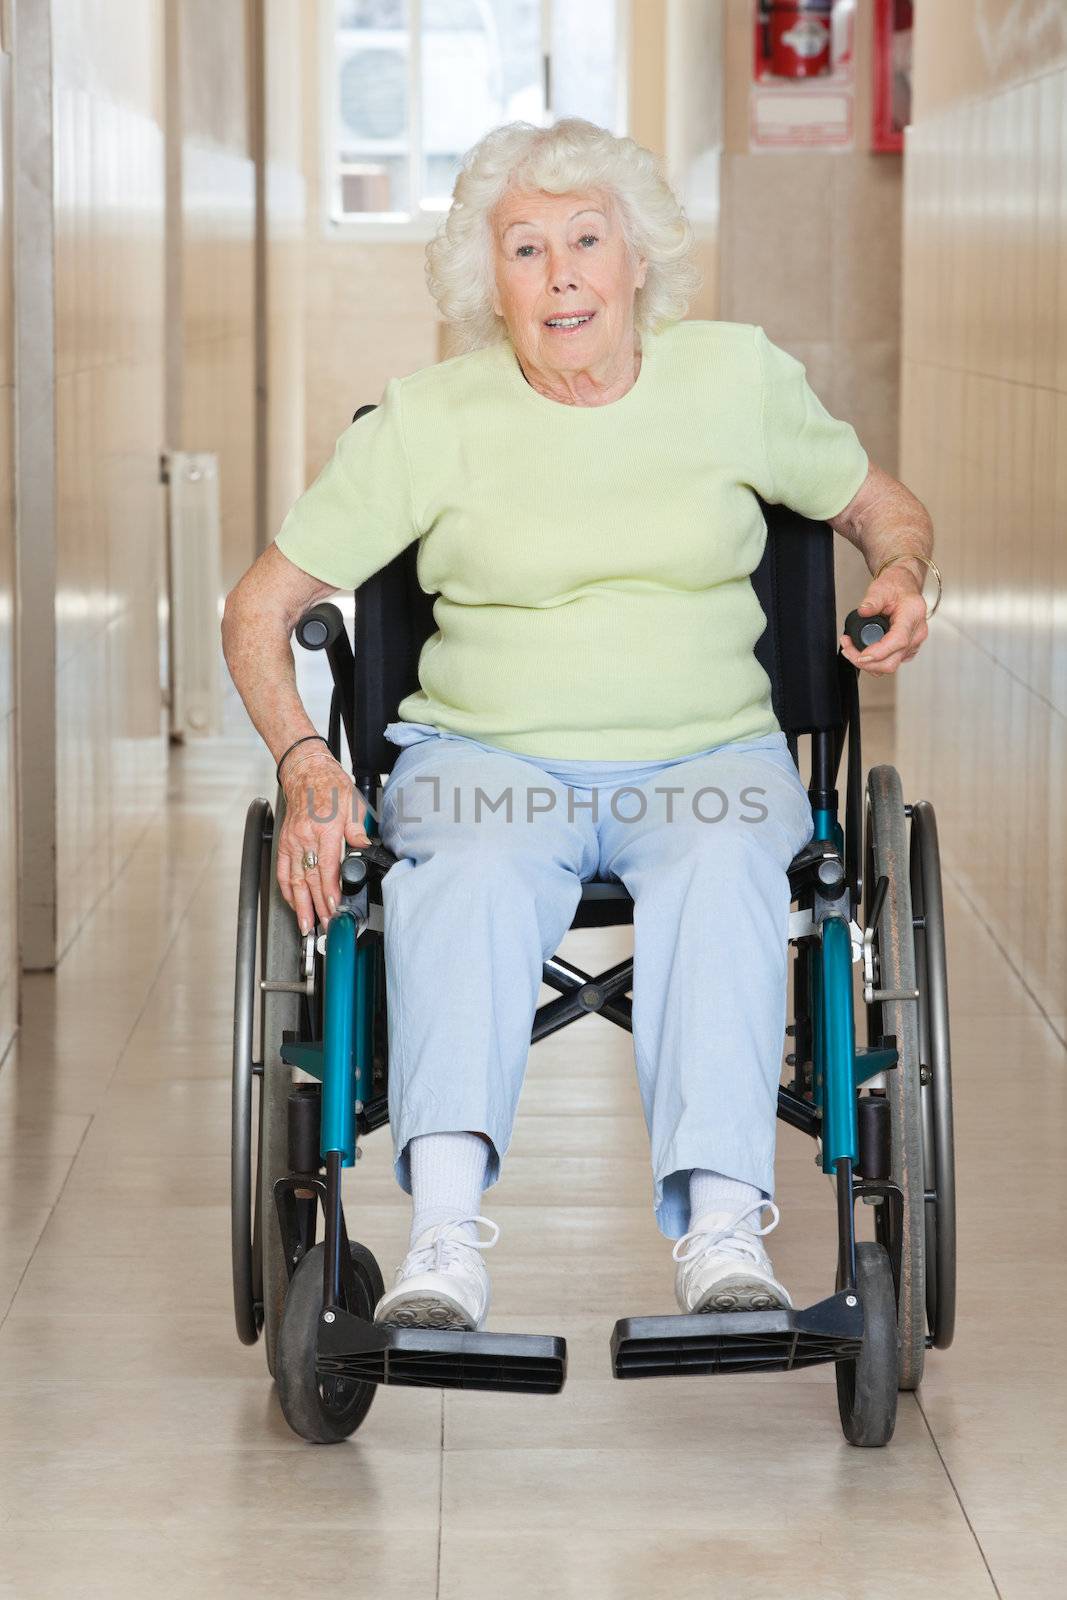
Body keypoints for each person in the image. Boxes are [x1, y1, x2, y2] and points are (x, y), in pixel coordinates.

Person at [221, 118, 934, 1333]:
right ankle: (443, 1240)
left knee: (722, 867)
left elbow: (885, 511)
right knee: (470, 868)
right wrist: (302, 758)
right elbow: (260, 605)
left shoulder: (737, 379)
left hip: (707, 753)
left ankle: (721, 1233)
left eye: (587, 240)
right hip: (485, 759)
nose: (561, 275)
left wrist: (903, 572)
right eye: (524, 246)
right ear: (482, 278)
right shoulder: (427, 418)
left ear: (638, 258)